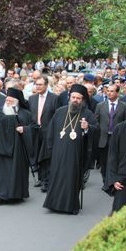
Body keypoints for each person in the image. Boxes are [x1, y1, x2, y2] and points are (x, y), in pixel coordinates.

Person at [43, 84, 98, 214]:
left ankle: (71, 206)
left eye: (78, 98)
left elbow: (96, 130)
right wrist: (50, 149)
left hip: (75, 154)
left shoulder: (87, 114)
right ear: (69, 97)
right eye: (73, 97)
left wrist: (87, 128)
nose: (75, 100)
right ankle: (53, 204)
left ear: (83, 100)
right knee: (56, 176)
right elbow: (50, 132)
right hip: (58, 152)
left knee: (71, 178)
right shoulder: (60, 111)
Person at [0, 87, 36, 203]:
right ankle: (0, 195)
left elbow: (34, 127)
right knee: (1, 172)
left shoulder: (26, 113)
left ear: (17, 101)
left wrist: (25, 129)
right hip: (2, 146)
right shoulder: (0, 110)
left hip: (18, 149)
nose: (8, 102)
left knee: (16, 171)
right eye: (7, 99)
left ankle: (16, 194)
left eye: (11, 100)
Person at [94, 84, 126, 183]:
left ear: (117, 93)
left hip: (117, 138)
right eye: (108, 91)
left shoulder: (124, 106)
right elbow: (96, 121)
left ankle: (113, 178)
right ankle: (105, 179)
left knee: (115, 159)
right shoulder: (100, 106)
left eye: (112, 91)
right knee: (104, 161)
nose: (109, 93)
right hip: (103, 138)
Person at [28, 76, 58, 192]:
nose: (38, 86)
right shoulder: (32, 98)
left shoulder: (54, 98)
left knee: (46, 157)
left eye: (40, 84)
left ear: (46, 85)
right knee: (37, 156)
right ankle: (40, 178)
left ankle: (47, 181)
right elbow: (30, 115)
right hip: (35, 132)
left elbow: (56, 116)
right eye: (36, 84)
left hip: (48, 132)